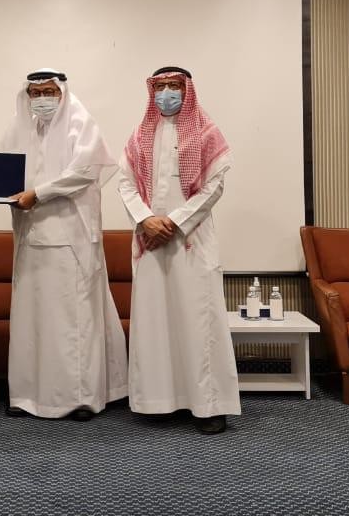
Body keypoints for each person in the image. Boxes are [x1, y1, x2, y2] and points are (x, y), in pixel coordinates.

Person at [0, 68, 127, 420]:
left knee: (73, 320)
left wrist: (38, 193)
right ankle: (28, 396)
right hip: (31, 239)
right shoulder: (18, 128)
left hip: (71, 239)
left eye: (48, 92)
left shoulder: (80, 123)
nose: (41, 99)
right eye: (35, 92)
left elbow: (85, 172)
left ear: (61, 93)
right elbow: (3, 174)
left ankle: (80, 398)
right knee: (32, 320)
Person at [117, 66, 239, 434]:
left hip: (191, 240)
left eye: (174, 86)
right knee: (155, 321)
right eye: (161, 86)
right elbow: (126, 184)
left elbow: (214, 187)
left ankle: (209, 406)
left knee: (199, 321)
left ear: (188, 91)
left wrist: (172, 223)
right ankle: (159, 401)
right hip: (150, 241)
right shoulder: (140, 135)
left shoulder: (206, 132)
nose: (166, 93)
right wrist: (146, 219)